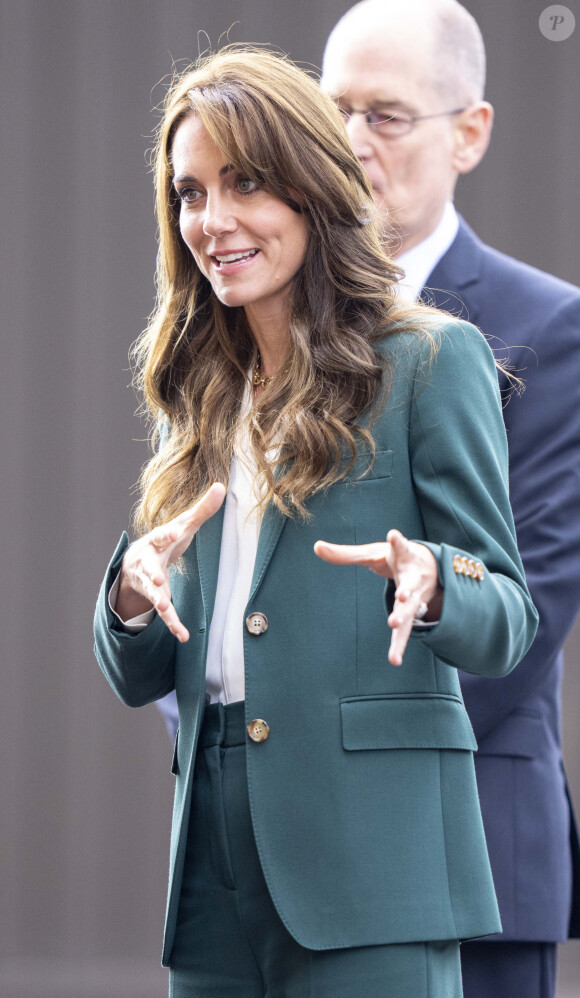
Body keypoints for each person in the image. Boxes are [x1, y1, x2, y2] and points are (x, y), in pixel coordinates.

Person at [94, 46, 538, 997]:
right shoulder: (196, 391)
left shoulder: (427, 358)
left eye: (244, 183)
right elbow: (137, 670)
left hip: (372, 857)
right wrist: (131, 597)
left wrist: (430, 585)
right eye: (189, 193)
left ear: (310, 185)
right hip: (210, 855)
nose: (212, 221)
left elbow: (506, 613)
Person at [318, 2, 580, 996]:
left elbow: (533, 594)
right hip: (284, 853)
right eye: (331, 108)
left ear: (468, 132)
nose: (348, 143)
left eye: (384, 115)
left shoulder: (546, 330)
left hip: (470, 840)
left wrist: (329, 750)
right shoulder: (259, 326)